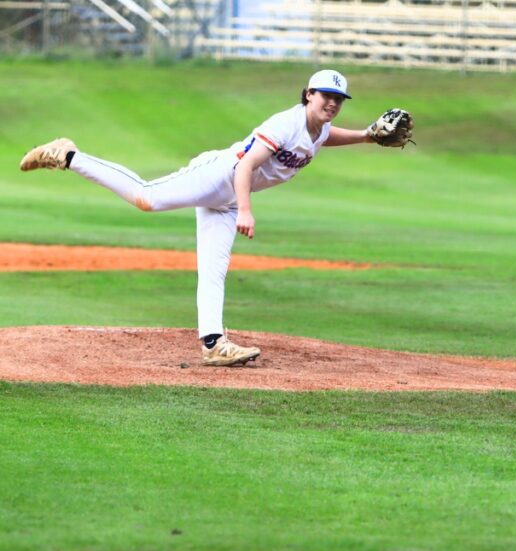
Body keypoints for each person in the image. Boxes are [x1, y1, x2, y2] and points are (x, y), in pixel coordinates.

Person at [19, 69, 413, 367]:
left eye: (338, 98)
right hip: (219, 175)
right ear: (309, 94)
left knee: (214, 269)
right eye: (326, 95)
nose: (332, 103)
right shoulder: (286, 123)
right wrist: (245, 209)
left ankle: (214, 344)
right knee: (146, 198)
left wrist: (366, 136)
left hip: (226, 198)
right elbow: (245, 167)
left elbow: (328, 135)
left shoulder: (318, 128)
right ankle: (68, 155)